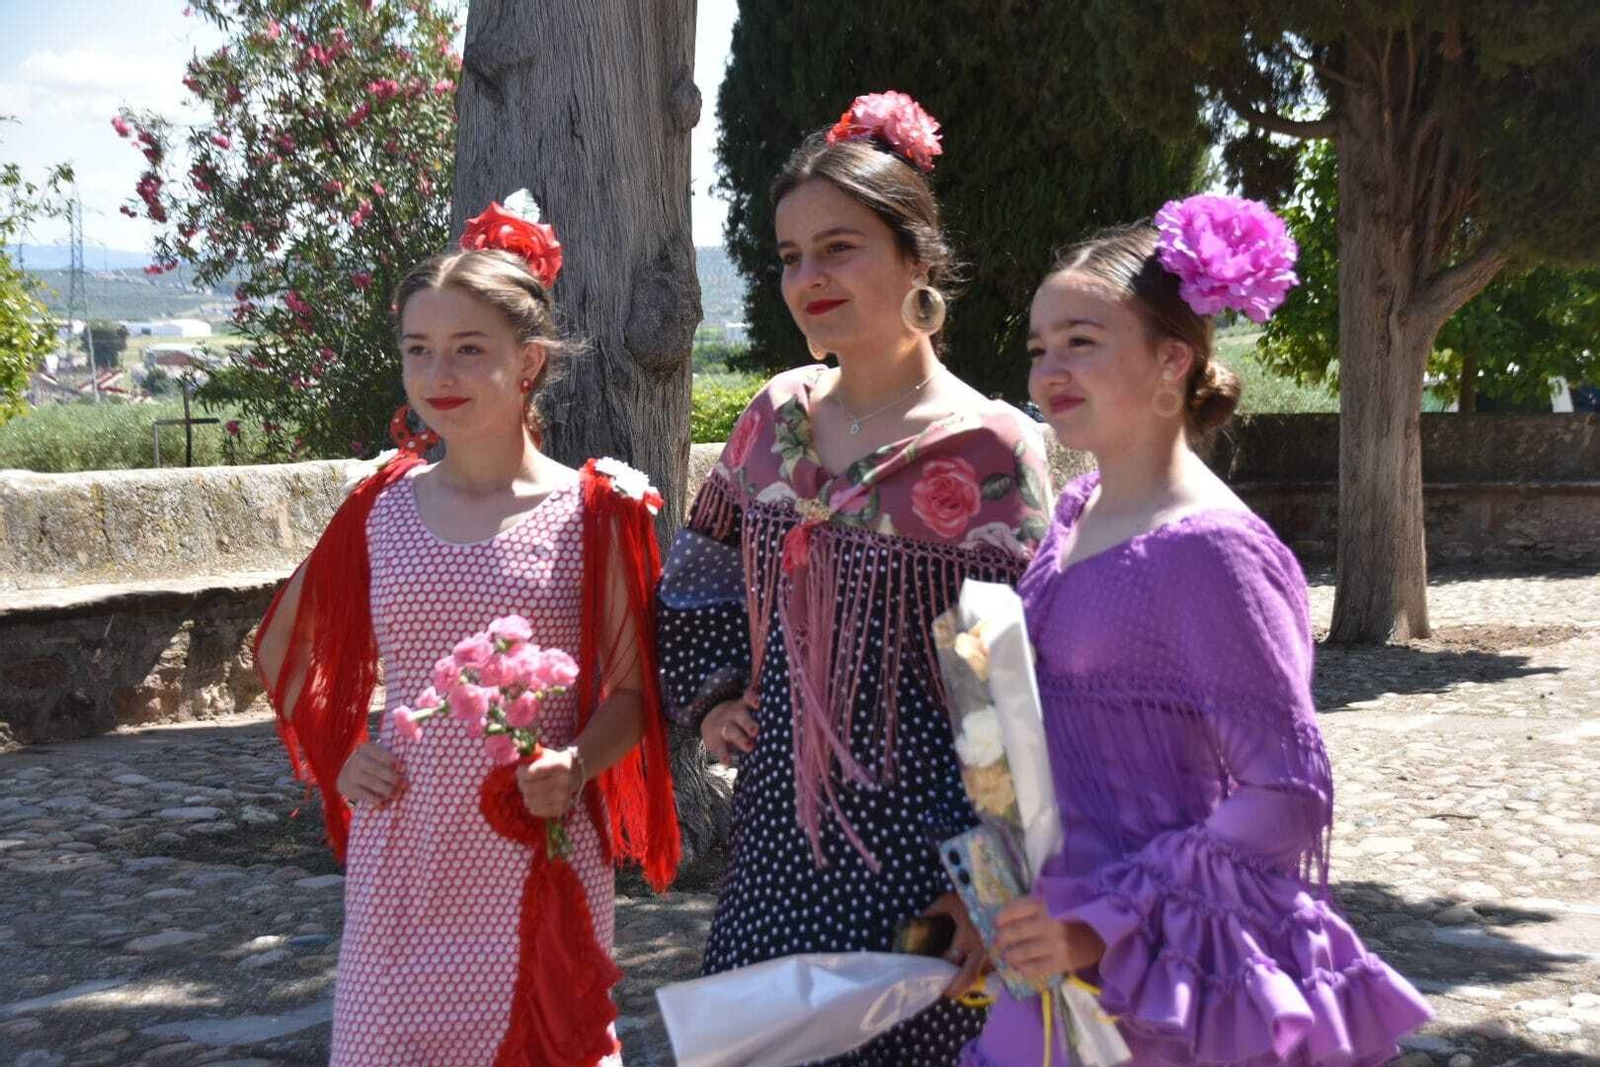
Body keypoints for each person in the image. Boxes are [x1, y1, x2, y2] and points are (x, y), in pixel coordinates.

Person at [967, 197, 1432, 1065]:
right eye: (1038, 348)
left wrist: (1103, 922)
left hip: (1170, 982)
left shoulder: (1213, 550)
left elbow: (1288, 793)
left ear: (1172, 358)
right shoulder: (1076, 510)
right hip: (1054, 953)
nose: (1047, 372)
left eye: (1081, 341)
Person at [657, 91, 1054, 1064]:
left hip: (926, 861)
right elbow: (698, 574)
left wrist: (990, 886)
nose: (806, 278)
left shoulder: (988, 448)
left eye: (838, 248)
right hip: (774, 853)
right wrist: (714, 698)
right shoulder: (772, 418)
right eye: (789, 255)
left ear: (915, 257)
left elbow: (1011, 691)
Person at [253, 195, 678, 1067]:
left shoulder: (595, 510)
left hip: (535, 846)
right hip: (403, 852)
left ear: (529, 362)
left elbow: (634, 695)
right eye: (419, 349)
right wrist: (340, 753)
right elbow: (283, 647)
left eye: (468, 349)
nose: (437, 372)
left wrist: (576, 763)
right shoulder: (379, 505)